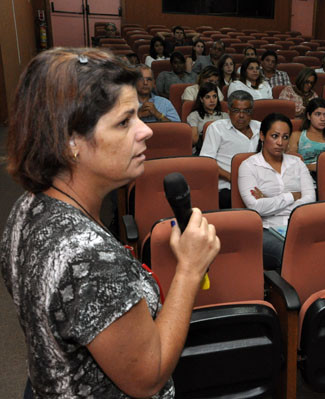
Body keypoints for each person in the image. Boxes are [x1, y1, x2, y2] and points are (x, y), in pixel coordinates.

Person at [1, 47, 220, 398]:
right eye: (124, 121)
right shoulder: (89, 259)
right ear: (69, 141)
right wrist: (191, 269)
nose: (145, 131)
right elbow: (147, 375)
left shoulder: (28, 207)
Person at [238, 113, 316, 270]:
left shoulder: (297, 163)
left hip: (298, 225)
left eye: (285, 137)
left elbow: (310, 201)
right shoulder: (248, 166)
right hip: (266, 228)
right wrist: (292, 196)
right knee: (290, 254)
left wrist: (269, 200)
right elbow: (255, 207)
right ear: (262, 135)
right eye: (274, 136)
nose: (280, 142)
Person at [200, 90, 261, 209]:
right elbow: (207, 163)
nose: (241, 115)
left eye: (246, 111)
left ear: (252, 112)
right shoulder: (217, 128)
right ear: (228, 111)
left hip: (258, 184)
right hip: (228, 186)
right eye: (236, 111)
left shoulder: (260, 127)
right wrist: (234, 178)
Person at [287, 98, 325, 174]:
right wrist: (313, 167)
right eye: (318, 114)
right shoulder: (297, 136)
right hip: (304, 176)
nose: (323, 119)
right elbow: (291, 164)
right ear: (309, 116)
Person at [187, 82, 229, 154]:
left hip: (223, 150)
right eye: (207, 97)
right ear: (201, 99)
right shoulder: (194, 116)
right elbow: (194, 140)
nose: (212, 100)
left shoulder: (225, 116)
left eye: (214, 96)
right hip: (201, 151)